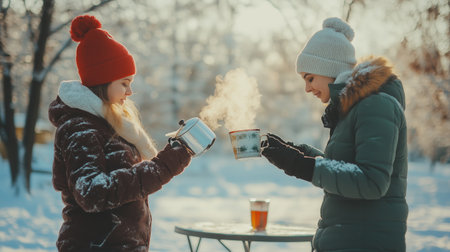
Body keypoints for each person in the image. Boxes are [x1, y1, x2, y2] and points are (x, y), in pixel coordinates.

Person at [261, 17, 408, 251]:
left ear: (330, 69)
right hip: (344, 240)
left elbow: (372, 181)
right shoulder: (353, 108)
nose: (307, 88)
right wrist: (298, 154)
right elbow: (346, 168)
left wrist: (303, 165)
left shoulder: (375, 105)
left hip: (366, 243)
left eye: (310, 78)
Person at [48, 15, 192, 251]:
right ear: (102, 81)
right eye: (124, 83)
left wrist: (172, 156)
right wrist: (161, 167)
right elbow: (91, 192)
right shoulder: (81, 129)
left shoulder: (110, 124)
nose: (130, 91)